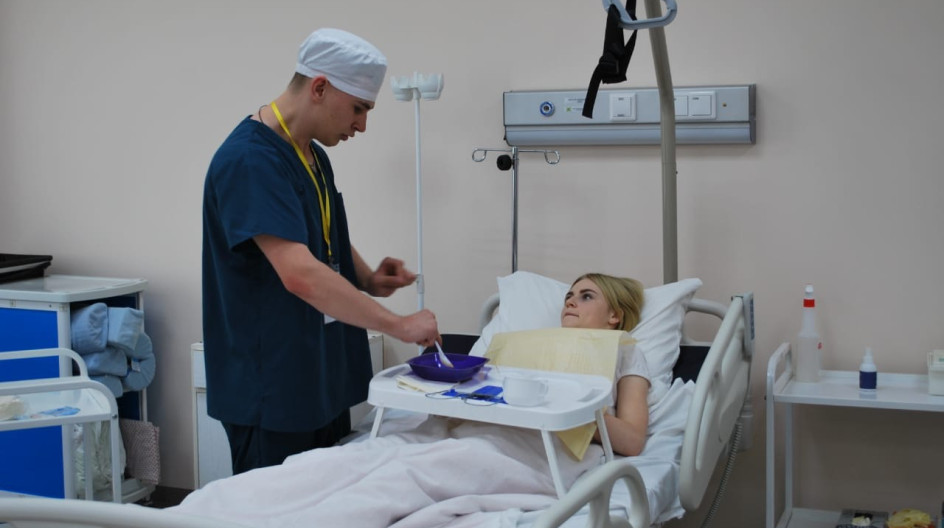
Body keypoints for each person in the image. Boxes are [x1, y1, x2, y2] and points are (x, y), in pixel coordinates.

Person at [175, 273, 653, 526]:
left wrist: (560, 407)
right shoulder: (525, 343)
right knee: (346, 460)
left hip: (536, 450)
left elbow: (631, 439)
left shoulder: (625, 352)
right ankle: (207, 512)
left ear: (615, 316)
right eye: (568, 294)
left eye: (586, 296)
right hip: (466, 428)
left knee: (410, 475)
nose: (569, 301)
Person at [202, 27, 441, 474]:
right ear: (319, 88)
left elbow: (314, 234)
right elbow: (300, 273)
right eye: (359, 108)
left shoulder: (311, 155)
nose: (362, 125)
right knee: (278, 506)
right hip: (271, 388)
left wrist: (367, 277)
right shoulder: (251, 160)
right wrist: (399, 325)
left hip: (319, 376)